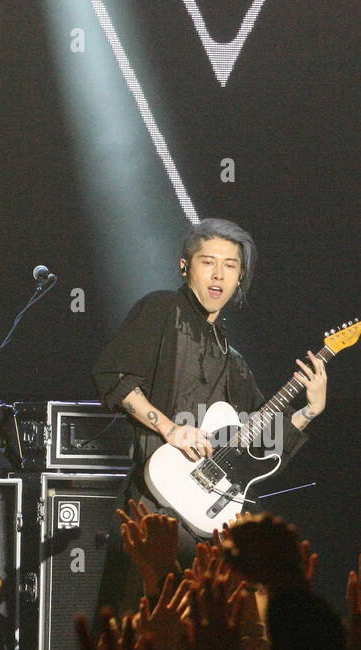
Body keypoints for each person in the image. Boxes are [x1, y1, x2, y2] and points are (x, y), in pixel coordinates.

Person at [90, 218, 328, 615]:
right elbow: (112, 377)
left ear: (240, 277)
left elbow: (264, 447)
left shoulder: (232, 358)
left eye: (230, 265)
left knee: (209, 638)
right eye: (208, 262)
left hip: (212, 519)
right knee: (142, 628)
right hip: (157, 507)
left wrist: (308, 410)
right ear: (185, 267)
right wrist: (170, 429)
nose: (219, 274)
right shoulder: (161, 310)